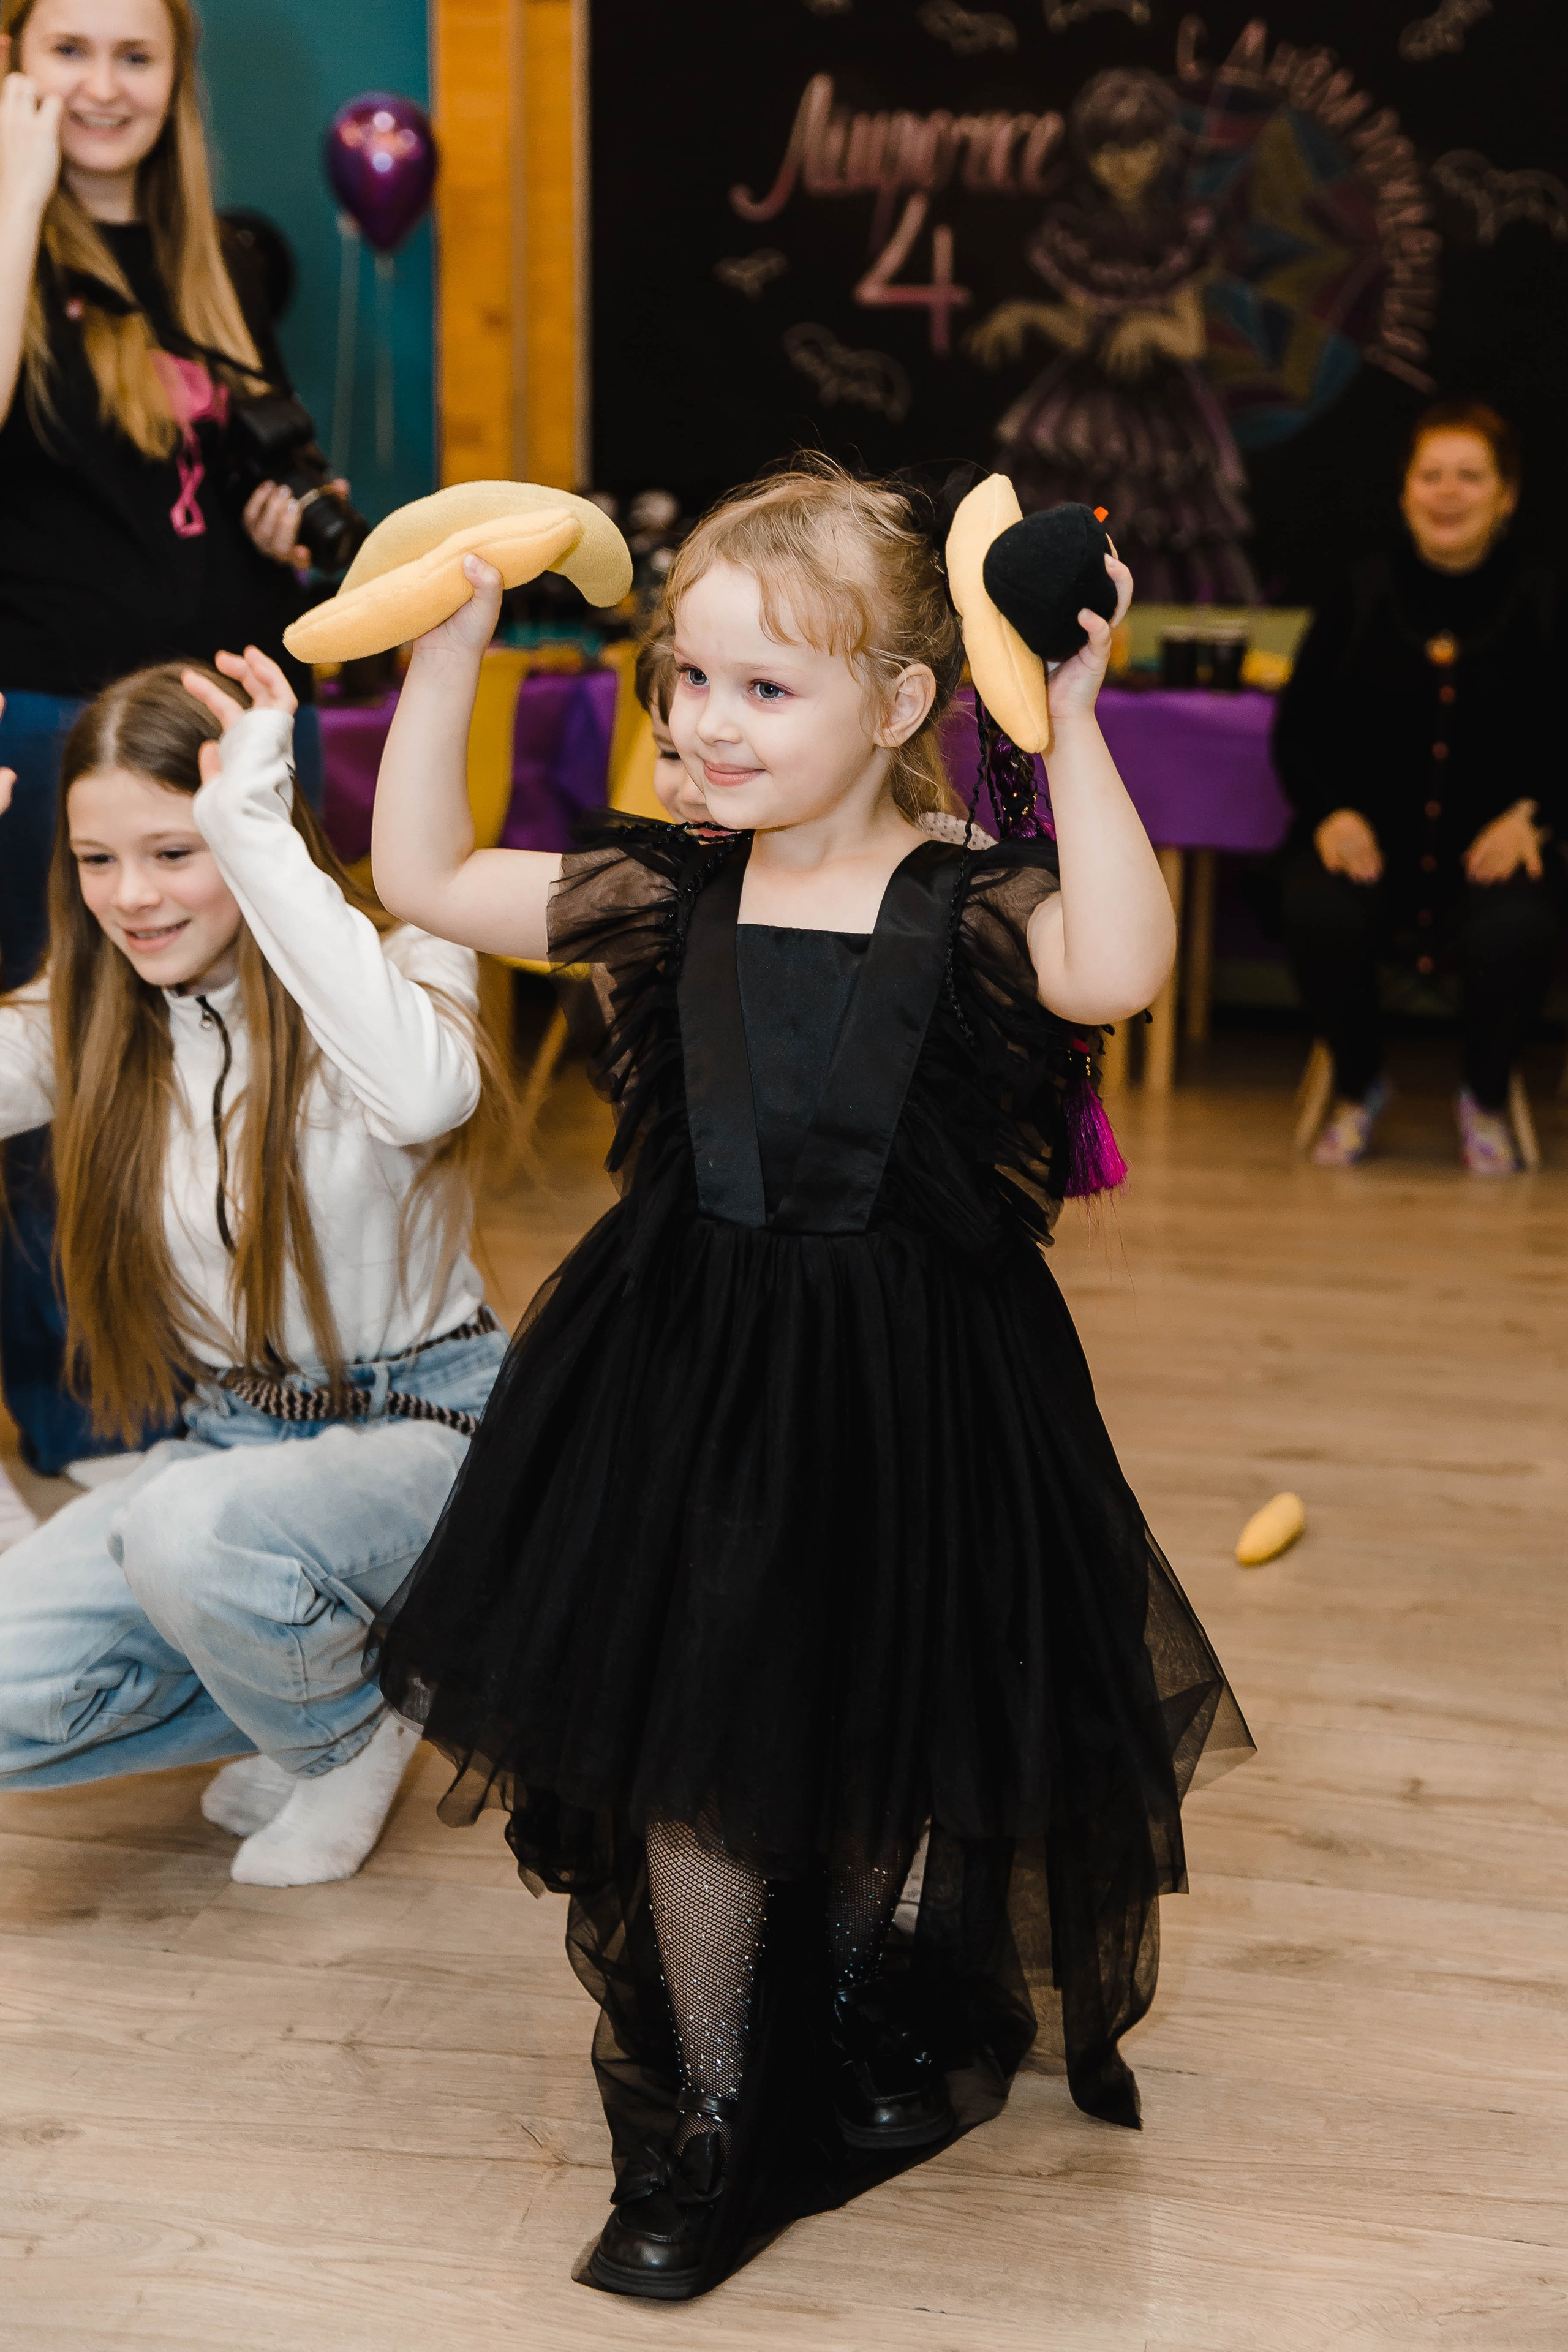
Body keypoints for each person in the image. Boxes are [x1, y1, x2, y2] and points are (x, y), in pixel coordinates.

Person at [366, 460, 1251, 2298]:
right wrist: (452, 653)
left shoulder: (970, 901)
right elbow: (422, 876)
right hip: (689, 1374)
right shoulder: (664, 890)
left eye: (765, 686)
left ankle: (838, 2004)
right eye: (688, 677)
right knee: (706, 1729)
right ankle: (707, 2104)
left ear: (900, 703)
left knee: (869, 1705)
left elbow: (1116, 962)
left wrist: (1077, 716)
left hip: (914, 1388)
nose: (709, 719)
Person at [0, 649, 507, 1887]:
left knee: (188, 1529)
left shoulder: (406, 957)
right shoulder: (94, 1015)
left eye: (177, 850)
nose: (133, 897)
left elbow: (424, 1094)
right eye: (98, 860)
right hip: (234, 1444)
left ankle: (342, 1732)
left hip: (439, 1432)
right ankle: (309, 1689)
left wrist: (260, 841)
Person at [0, 0, 342, 1472]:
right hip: (51, 727)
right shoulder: (14, 246)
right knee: (62, 1082)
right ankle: (89, 1409)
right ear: (16, 67)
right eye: (66, 50)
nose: (102, 84)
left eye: (133, 55)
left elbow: (213, 490)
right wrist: (14, 186)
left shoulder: (220, 264)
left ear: (175, 79)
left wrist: (286, 537)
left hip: (215, 723)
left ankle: (220, 1379)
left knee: (225, 1077)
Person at [1274, 401, 1563, 1172]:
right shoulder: (1359, 592)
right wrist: (1331, 813)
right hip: (1370, 851)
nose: (1448, 492)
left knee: (1519, 928)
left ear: (1506, 495)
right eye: (1431, 475)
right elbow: (1296, 732)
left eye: (1469, 476)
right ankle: (1359, 1086)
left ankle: (1485, 1096)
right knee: (1316, 908)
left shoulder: (1544, 598)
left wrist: (1533, 818)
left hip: (1492, 856)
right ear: (1405, 493)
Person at [970, 68, 1257, 604]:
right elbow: (1080, 332)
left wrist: (1148, 327)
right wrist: (1027, 314)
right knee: (1086, 519)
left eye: (1140, 147)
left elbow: (1190, 338)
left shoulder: (1180, 232)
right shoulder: (1079, 234)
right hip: (1087, 418)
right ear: (1089, 155)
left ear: (1163, 149)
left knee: (1158, 523)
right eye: (1108, 149)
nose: (1125, 164)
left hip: (1160, 419)